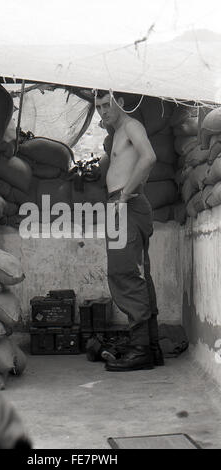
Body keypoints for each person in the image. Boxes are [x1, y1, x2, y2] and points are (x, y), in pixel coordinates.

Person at [95, 89, 164, 371]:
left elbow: (149, 157)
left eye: (106, 105)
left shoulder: (131, 125)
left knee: (123, 273)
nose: (102, 111)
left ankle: (140, 350)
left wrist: (123, 196)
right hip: (124, 205)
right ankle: (151, 346)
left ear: (120, 102)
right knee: (138, 274)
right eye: (98, 107)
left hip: (127, 204)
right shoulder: (118, 131)